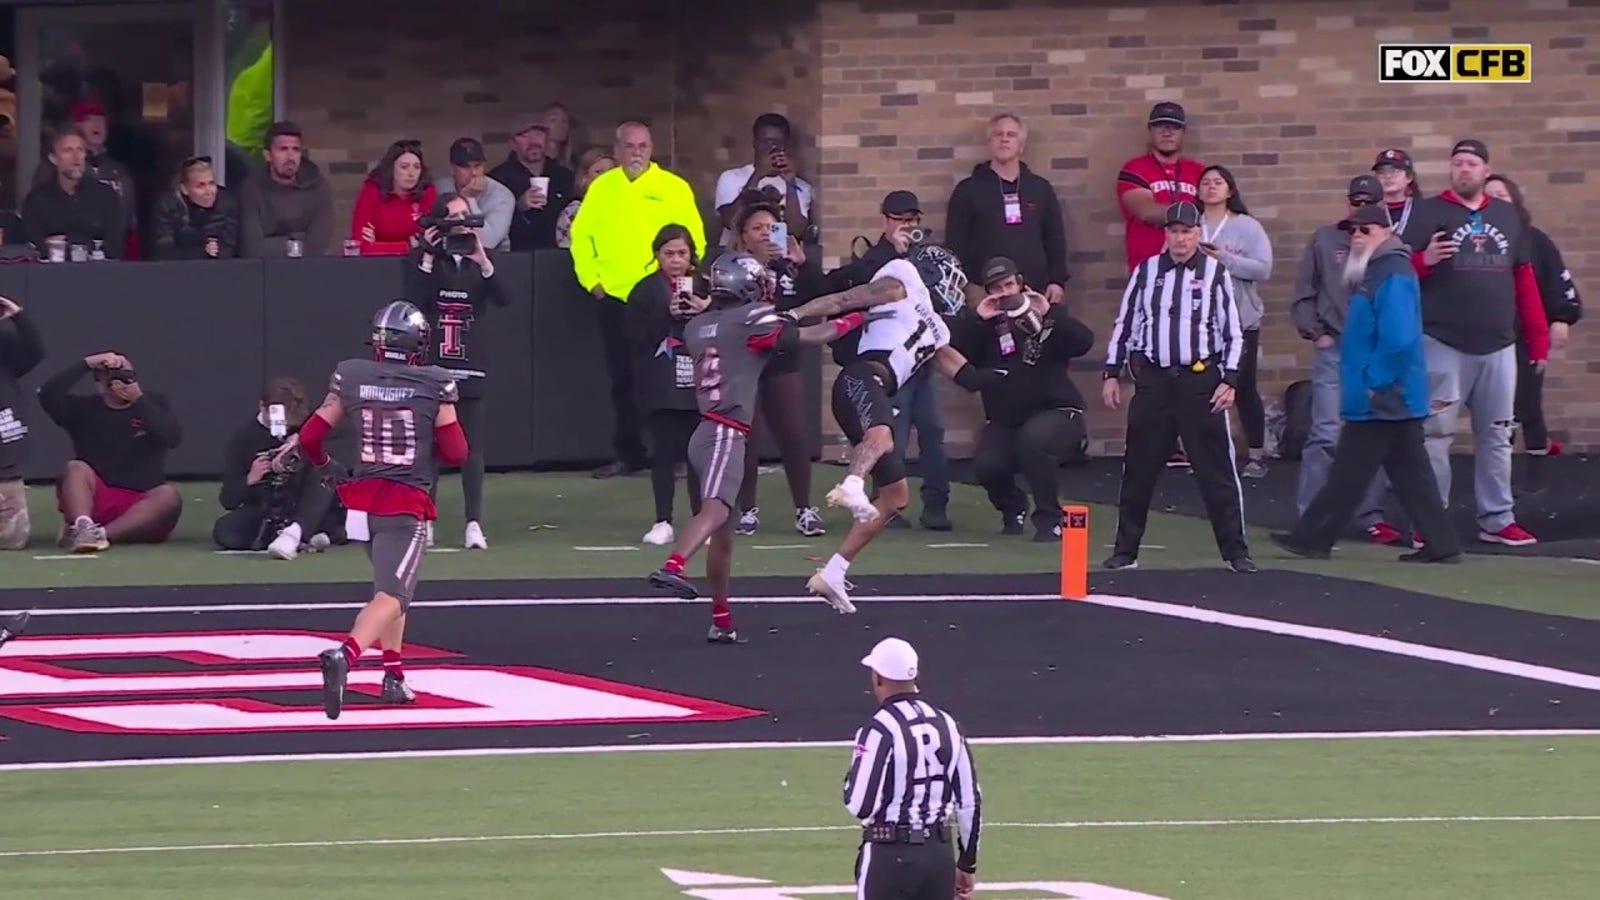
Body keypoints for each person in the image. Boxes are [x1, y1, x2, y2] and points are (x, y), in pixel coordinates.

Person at [646, 252, 880, 642]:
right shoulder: (751, 319)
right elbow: (812, 336)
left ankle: (721, 620)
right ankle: (673, 565)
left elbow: (682, 341)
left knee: (725, 532)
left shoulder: (698, 325)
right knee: (717, 509)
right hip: (725, 430)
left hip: (706, 429)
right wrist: (858, 317)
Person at [274, 301, 468, 718]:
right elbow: (457, 451)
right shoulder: (433, 383)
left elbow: (310, 438)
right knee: (394, 595)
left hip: (360, 503)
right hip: (404, 501)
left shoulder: (354, 376)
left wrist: (329, 470)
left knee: (388, 591)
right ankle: (345, 655)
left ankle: (394, 676)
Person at [785, 242, 1001, 610]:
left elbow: (967, 376)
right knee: (883, 436)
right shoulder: (901, 281)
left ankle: (834, 572)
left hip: (874, 390)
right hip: (860, 378)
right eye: (950, 278)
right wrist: (793, 314)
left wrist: (1011, 371)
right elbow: (842, 301)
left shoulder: (935, 328)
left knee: (895, 498)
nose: (953, 288)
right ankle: (851, 485)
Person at [1270, 204, 1461, 564]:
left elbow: (1400, 337)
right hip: (1390, 392)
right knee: (1409, 474)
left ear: (1385, 232)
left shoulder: (1391, 271)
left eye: (1366, 230)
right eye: (1353, 231)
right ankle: (1442, 544)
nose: (1357, 237)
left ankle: (1311, 536)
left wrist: (1375, 382)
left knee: (1349, 471)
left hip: (1383, 393)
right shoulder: (1381, 270)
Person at [1402, 139, 1547, 547]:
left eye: (1471, 163)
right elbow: (1397, 271)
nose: (1463, 169)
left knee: (1498, 435)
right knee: (1434, 434)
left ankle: (1497, 519)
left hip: (1499, 345)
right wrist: (1423, 261)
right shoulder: (1427, 212)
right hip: (1442, 341)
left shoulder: (1506, 215)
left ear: (1486, 170)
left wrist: (1537, 340)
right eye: (1457, 163)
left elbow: (1524, 278)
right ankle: (1430, 520)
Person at [1101, 201, 1255, 573]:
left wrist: (1230, 379)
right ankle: (1126, 551)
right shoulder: (1147, 271)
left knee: (1216, 470)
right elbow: (1126, 323)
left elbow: (1234, 332)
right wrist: (1111, 371)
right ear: (1166, 233)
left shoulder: (1216, 273)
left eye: (1187, 231)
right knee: (1138, 468)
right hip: (1154, 380)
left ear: (1198, 233)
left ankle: (1236, 552)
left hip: (1199, 382)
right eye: (1174, 231)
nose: (1181, 239)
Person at [952, 257, 1095, 541]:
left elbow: (1083, 342)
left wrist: (1049, 313)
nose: (1005, 293)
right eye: (996, 288)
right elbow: (957, 352)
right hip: (1006, 418)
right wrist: (977, 319)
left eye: (1008, 284)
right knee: (986, 465)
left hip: (1057, 410)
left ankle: (1050, 519)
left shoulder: (1047, 316)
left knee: (1034, 440)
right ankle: (1012, 507)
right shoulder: (986, 327)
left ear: (1020, 283)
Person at [405, 193, 508, 550]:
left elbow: (504, 297)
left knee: (471, 448)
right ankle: (426, 518)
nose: (462, 222)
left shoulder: (481, 258)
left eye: (467, 215)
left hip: (471, 363)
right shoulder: (426, 260)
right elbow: (414, 301)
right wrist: (430, 256)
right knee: (431, 447)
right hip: (436, 364)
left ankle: (474, 523)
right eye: (454, 216)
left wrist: (483, 260)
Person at [845, 637, 982, 900]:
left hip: (889, 854)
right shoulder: (948, 724)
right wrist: (967, 863)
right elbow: (969, 800)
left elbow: (860, 804)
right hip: (938, 854)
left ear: (878, 678)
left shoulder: (879, 729)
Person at [1483, 174, 1582, 471]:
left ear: (1514, 200)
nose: (1496, 201)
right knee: (1498, 405)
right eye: (1489, 196)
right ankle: (1504, 462)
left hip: (1525, 332)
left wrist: (1561, 317)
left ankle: (1536, 449)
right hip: (1484, 334)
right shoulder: (1474, 240)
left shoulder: (1533, 239)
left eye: (1501, 195)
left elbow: (1556, 279)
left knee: (1526, 394)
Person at [39, 352, 184, 553]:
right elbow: (47, 394)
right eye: (116, 377)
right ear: (102, 385)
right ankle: (83, 526)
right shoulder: (84, 409)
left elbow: (172, 438)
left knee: (168, 495)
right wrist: (87, 363)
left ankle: (100, 535)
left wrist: (139, 400)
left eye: (128, 375)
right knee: (75, 468)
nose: (124, 382)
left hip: (141, 504)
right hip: (99, 498)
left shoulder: (153, 403)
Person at [624, 224, 707, 545]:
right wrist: (664, 315)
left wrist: (705, 307)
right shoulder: (645, 290)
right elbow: (632, 337)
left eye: (682, 254)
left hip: (699, 381)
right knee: (663, 454)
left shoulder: (705, 287)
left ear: (691, 256)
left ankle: (701, 519)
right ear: (657, 255)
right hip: (660, 382)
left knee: (699, 456)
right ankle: (663, 520)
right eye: (668, 253)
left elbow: (726, 326)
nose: (675, 260)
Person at [1195, 165, 1273, 477]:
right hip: (1200, 320)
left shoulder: (1247, 226)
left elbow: (1263, 269)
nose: (1211, 187)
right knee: (1201, 386)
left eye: (1218, 182)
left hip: (1241, 318)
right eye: (1205, 183)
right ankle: (1208, 454)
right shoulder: (1190, 224)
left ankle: (1256, 453)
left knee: (1243, 384)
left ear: (1230, 190)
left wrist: (1225, 258)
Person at [212, 377, 343, 557]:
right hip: (267, 506)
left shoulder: (303, 424)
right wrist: (251, 478)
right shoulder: (244, 438)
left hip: (305, 499)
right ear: (262, 407)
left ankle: (295, 532)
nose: (287, 425)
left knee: (327, 470)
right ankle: (307, 533)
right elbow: (228, 499)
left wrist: (302, 438)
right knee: (226, 531)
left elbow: (343, 432)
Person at [0, 295, 44, 551]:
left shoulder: (3, 348)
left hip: (4, 465)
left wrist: (18, 316)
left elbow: (35, 352)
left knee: (12, 538)